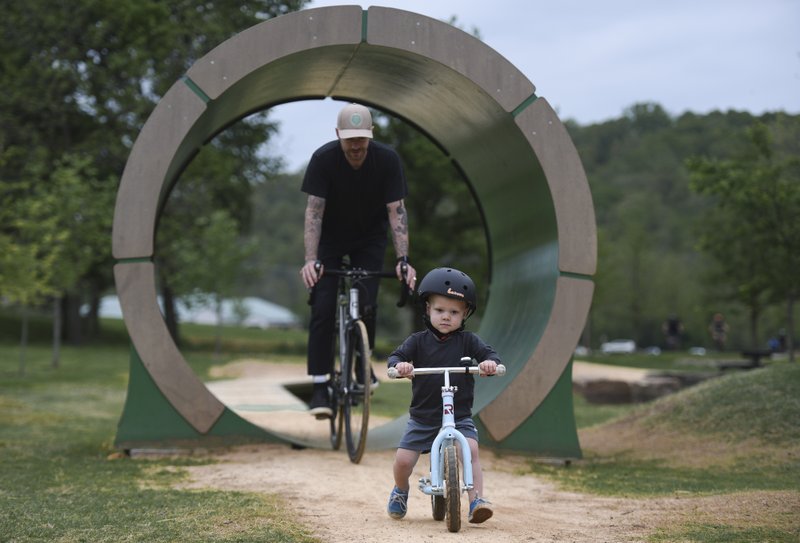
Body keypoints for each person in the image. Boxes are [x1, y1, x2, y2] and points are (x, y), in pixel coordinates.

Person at [300, 102, 417, 419]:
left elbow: (397, 212)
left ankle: (361, 366)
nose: (355, 146)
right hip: (331, 239)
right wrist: (311, 260)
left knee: (366, 302)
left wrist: (403, 259)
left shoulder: (387, 160)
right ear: (338, 134)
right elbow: (314, 212)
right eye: (349, 138)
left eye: (361, 139)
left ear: (371, 135)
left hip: (370, 237)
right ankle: (321, 386)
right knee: (323, 305)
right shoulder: (324, 160)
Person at [385, 267, 500, 524]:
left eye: (454, 312)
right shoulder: (417, 341)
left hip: (458, 417)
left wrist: (489, 364)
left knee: (470, 450)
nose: (446, 317)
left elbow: (490, 355)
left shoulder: (469, 342)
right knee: (403, 461)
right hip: (423, 418)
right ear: (427, 309)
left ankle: (476, 501)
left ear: (465, 314)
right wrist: (400, 367)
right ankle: (400, 490)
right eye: (439, 310)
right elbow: (395, 358)